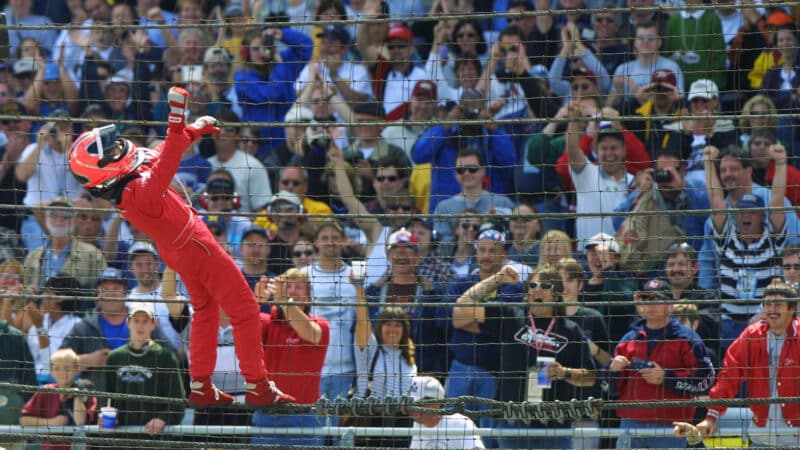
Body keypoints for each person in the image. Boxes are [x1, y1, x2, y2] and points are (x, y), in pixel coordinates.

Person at [67, 87, 293, 407]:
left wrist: (194, 129)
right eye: (113, 147)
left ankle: (200, 385)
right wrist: (177, 122)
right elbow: (166, 161)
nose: (120, 145)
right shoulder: (139, 193)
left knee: (204, 309)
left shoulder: (129, 182)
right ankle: (258, 384)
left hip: (178, 247)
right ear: (104, 170)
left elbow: (160, 153)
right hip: (194, 244)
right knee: (244, 309)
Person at [474, 265, 596, 449]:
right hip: (512, 422)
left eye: (545, 285)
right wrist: (497, 278)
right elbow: (463, 306)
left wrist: (565, 373)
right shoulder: (510, 315)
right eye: (532, 284)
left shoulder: (571, 330)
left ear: (556, 292)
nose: (537, 288)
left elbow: (590, 378)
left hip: (554, 425)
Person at [676, 279, 800, 447]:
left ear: (793, 309)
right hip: (761, 435)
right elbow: (729, 376)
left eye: (778, 305)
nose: (771, 310)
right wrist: (711, 417)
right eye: (767, 304)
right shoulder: (752, 335)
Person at [604, 278, 715, 449]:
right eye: (646, 299)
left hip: (672, 427)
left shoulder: (687, 338)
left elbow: (706, 379)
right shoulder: (627, 340)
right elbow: (609, 388)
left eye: (657, 299)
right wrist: (612, 371)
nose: (650, 304)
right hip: (630, 425)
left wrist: (666, 378)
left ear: (670, 306)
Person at [704, 143, 788, 354]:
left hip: (766, 321)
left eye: (752, 212)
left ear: (762, 215)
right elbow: (715, 199)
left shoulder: (773, 237)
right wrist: (708, 164)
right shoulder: (726, 236)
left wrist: (780, 163)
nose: (746, 216)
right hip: (730, 325)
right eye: (742, 212)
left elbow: (777, 200)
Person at [251, 269, 330, 447]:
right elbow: (243, 329)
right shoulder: (268, 322)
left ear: (309, 297)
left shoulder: (321, 324)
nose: (292, 290)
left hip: (304, 416)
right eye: (288, 286)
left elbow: (311, 334)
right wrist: (256, 301)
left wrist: (284, 301)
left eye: (299, 287)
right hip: (267, 415)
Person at [104, 302, 184, 438]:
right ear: (128, 322)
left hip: (153, 438)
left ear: (154, 324)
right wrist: (105, 416)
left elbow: (178, 403)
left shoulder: (166, 357)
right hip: (120, 438)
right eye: (136, 321)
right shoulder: (114, 358)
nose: (140, 326)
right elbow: (106, 398)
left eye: (145, 321)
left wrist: (162, 419)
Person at [353, 279, 417, 448]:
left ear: (404, 329)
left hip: (403, 425)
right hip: (372, 421)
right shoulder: (370, 349)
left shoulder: (408, 357)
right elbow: (362, 322)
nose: (393, 329)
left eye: (398, 325)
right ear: (380, 327)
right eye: (388, 324)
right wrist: (359, 288)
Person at [19, 349, 97, 450]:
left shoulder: (86, 389)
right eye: (57, 368)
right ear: (51, 371)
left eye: (67, 368)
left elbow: (80, 422)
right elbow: (24, 420)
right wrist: (51, 422)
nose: (62, 372)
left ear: (77, 368)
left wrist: (77, 394)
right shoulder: (45, 391)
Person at [407, 375, 485, 450]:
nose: (411, 409)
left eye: (417, 404)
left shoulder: (461, 422)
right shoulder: (417, 425)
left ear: (435, 404)